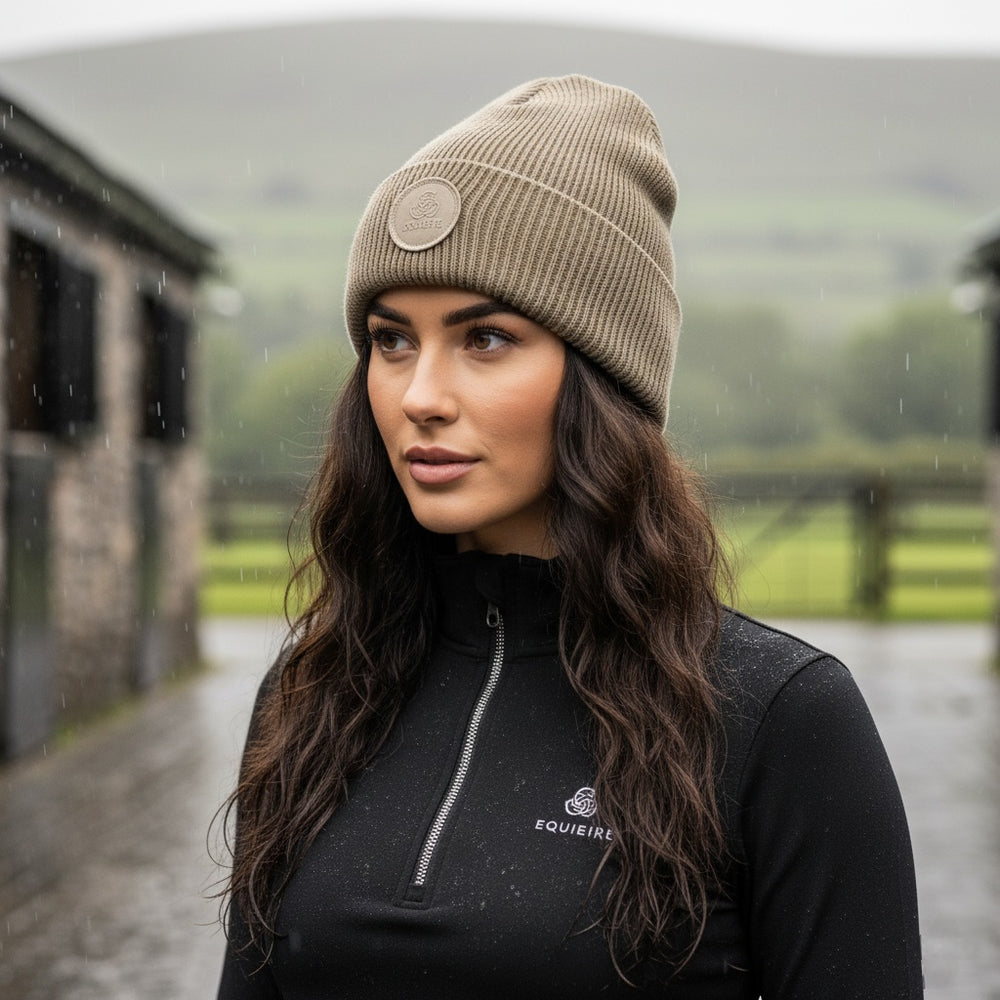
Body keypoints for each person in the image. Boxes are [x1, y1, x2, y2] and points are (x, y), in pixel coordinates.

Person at [216, 75, 923, 998]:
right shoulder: (315, 693)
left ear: (603, 379)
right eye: (392, 340)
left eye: (487, 339)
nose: (420, 395)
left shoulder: (778, 718)